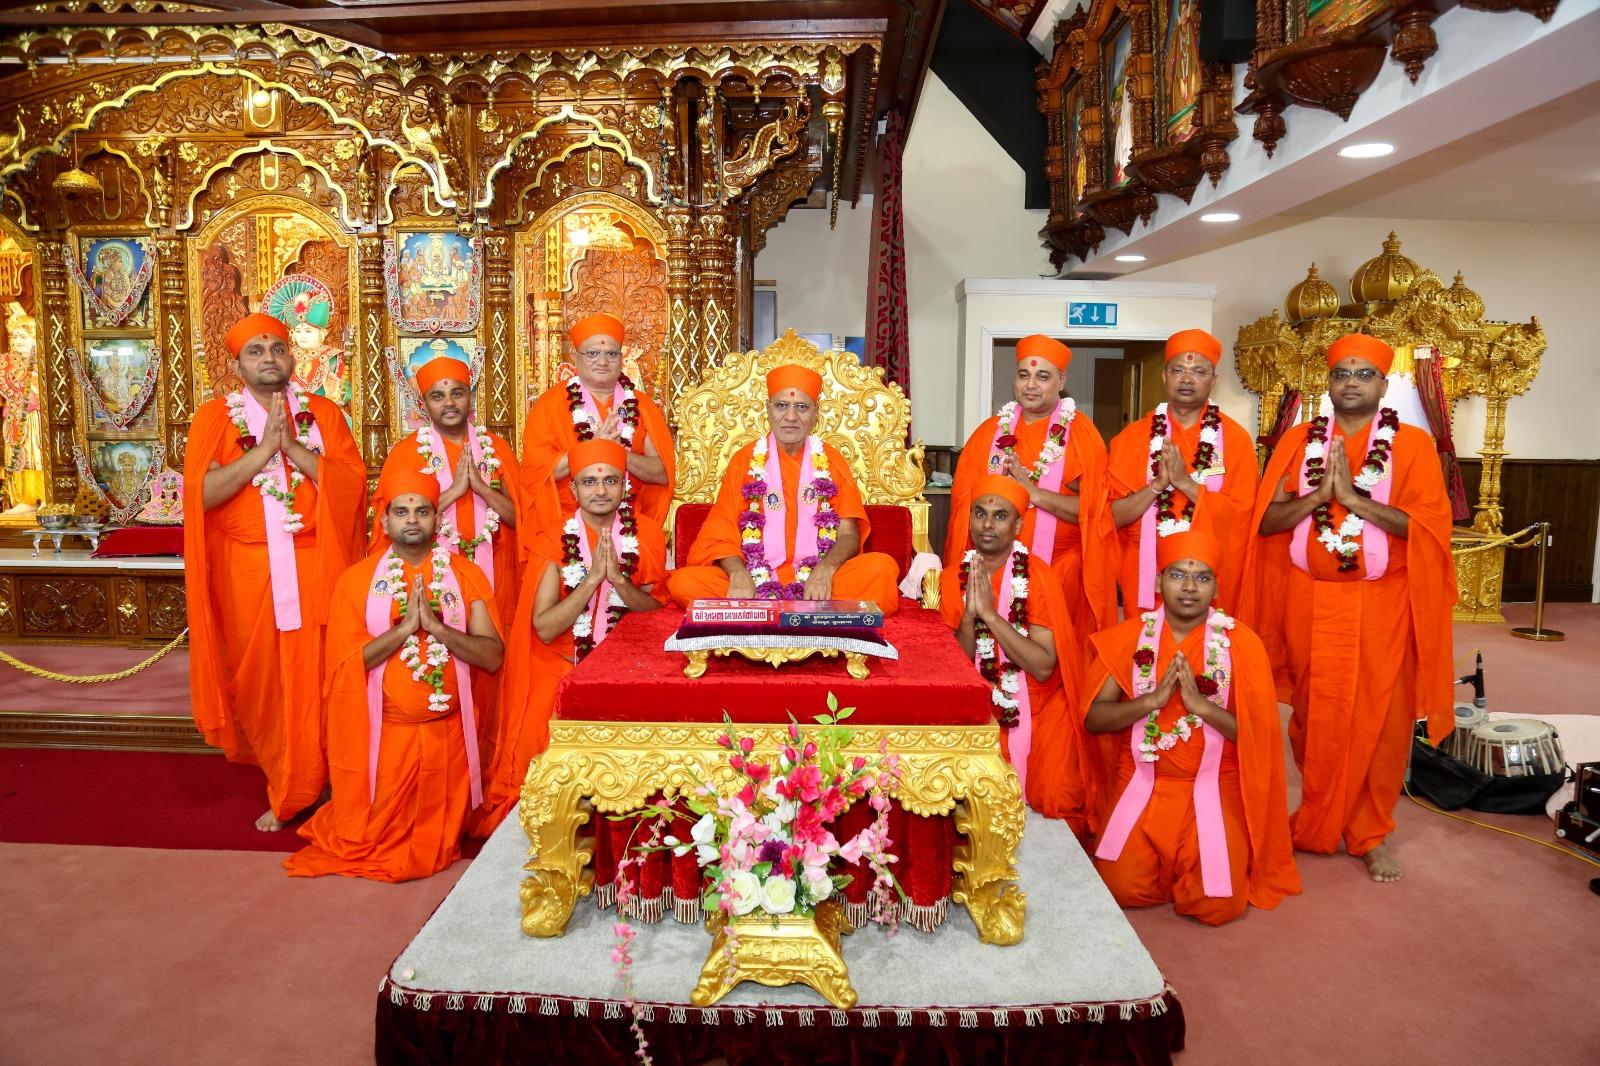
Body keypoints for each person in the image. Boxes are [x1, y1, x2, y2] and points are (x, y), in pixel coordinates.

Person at [1242, 333, 1456, 883]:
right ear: (1329, 383)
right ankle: (1316, 816)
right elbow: (1265, 523)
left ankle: (1369, 832)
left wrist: (1356, 501)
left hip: (1381, 603)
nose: (1352, 383)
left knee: (1380, 719)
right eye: (1343, 374)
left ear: (1384, 386)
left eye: (1364, 375)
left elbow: (1429, 531)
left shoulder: (1411, 446)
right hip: (1306, 600)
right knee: (1313, 714)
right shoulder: (1295, 443)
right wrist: (1318, 497)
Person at [183, 312, 367, 831]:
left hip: (318, 565)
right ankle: (288, 778)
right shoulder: (214, 419)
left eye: (277, 349)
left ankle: (322, 782)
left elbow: (354, 490)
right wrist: (263, 452)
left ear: (292, 356)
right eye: (256, 351)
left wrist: (294, 452)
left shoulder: (324, 415)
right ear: (236, 363)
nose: (269, 358)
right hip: (248, 570)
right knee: (262, 679)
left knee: (324, 676)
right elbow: (201, 496)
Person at [285, 469, 503, 882]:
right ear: (384, 521)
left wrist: (439, 629)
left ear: (437, 519)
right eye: (400, 511)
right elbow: (345, 665)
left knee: (437, 843)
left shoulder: (466, 576)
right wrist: (403, 630)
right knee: (369, 836)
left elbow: (493, 656)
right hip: (385, 740)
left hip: (449, 736)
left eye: (422, 511)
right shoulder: (356, 582)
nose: (412, 519)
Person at [1084, 531, 1300, 925]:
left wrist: (1203, 707)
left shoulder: (1242, 645)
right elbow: (1094, 718)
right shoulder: (1131, 636)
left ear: (1216, 586)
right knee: (1120, 889)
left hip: (1215, 784)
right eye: (1177, 574)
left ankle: (1194, 864)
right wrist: (1149, 702)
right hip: (1142, 780)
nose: (1188, 587)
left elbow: (1257, 737)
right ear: (1156, 581)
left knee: (1218, 905)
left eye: (1202, 577)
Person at [471, 439, 666, 834]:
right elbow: (544, 627)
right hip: (559, 663)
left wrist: (618, 583)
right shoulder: (552, 538)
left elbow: (656, 614)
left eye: (610, 480)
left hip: (623, 668)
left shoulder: (644, 533)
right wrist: (591, 580)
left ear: (624, 486)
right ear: (573, 489)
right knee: (541, 777)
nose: (600, 490)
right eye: (589, 481)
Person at [667, 364, 901, 610]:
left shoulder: (831, 461)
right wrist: (738, 574)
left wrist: (825, 569)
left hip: (819, 582)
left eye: (801, 407)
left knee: (881, 569)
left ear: (815, 413)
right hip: (755, 581)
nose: (791, 417)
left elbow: (848, 533)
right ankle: (803, 611)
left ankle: (762, 612)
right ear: (768, 410)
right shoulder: (745, 460)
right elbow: (720, 533)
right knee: (684, 583)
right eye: (781, 406)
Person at [939, 475, 1097, 835]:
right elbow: (957, 668)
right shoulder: (951, 579)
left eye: (1000, 516)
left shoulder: (1039, 578)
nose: (988, 524)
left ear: (1018, 525)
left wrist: (991, 617)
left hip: (1038, 708)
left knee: (1056, 793)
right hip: (978, 704)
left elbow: (1042, 667)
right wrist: (968, 617)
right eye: (980, 514)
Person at [944, 334, 1118, 638]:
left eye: (1043, 376)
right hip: (993, 569)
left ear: (1061, 380)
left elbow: (1096, 511)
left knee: (1052, 657)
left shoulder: (1082, 436)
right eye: (1024, 375)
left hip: (1061, 570)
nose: (1031, 385)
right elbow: (963, 506)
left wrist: (1034, 494)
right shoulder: (988, 433)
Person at [1108, 329, 1258, 613]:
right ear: (1165, 376)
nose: (1187, 379)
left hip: (1210, 573)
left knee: (1207, 653)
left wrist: (1185, 484)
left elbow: (1243, 518)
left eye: (1199, 371)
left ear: (1213, 381)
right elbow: (1112, 516)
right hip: (1146, 569)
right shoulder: (1133, 437)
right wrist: (1156, 486)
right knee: (1145, 651)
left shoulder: (1235, 440)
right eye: (1178, 370)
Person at [374, 356, 524, 625]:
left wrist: (482, 489)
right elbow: (396, 524)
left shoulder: (496, 448)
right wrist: (455, 491)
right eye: (438, 396)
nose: (449, 403)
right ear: (424, 404)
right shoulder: (406, 454)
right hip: (432, 570)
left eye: (457, 393)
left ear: (470, 396)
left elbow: (519, 518)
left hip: (497, 567)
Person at [520, 312, 675, 539]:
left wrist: (619, 454)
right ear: (575, 356)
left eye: (611, 354)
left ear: (621, 358)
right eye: (593, 353)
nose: (603, 361)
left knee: (649, 545)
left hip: (629, 521)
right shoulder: (550, 404)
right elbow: (536, 473)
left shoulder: (642, 406)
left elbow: (662, 473)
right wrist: (592, 450)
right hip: (565, 521)